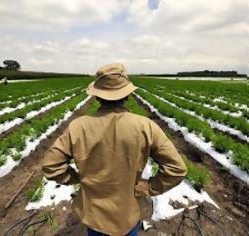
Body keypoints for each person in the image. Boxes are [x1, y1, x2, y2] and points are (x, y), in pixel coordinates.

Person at [42, 63, 187, 236]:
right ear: (128, 94)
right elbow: (177, 169)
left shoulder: (78, 126)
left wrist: (79, 179)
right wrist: (146, 188)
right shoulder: (145, 126)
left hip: (94, 214)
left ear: (97, 96)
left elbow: (51, 166)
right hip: (127, 213)